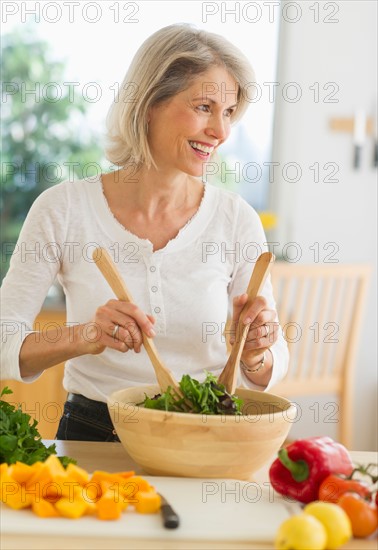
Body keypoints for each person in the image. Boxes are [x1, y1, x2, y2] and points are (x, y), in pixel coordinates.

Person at [0, 23, 289, 442]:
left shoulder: (235, 219)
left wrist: (256, 353)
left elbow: (271, 363)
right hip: (94, 433)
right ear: (149, 103)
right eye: (204, 107)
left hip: (205, 433)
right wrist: (86, 335)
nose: (221, 132)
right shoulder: (63, 208)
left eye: (228, 113)